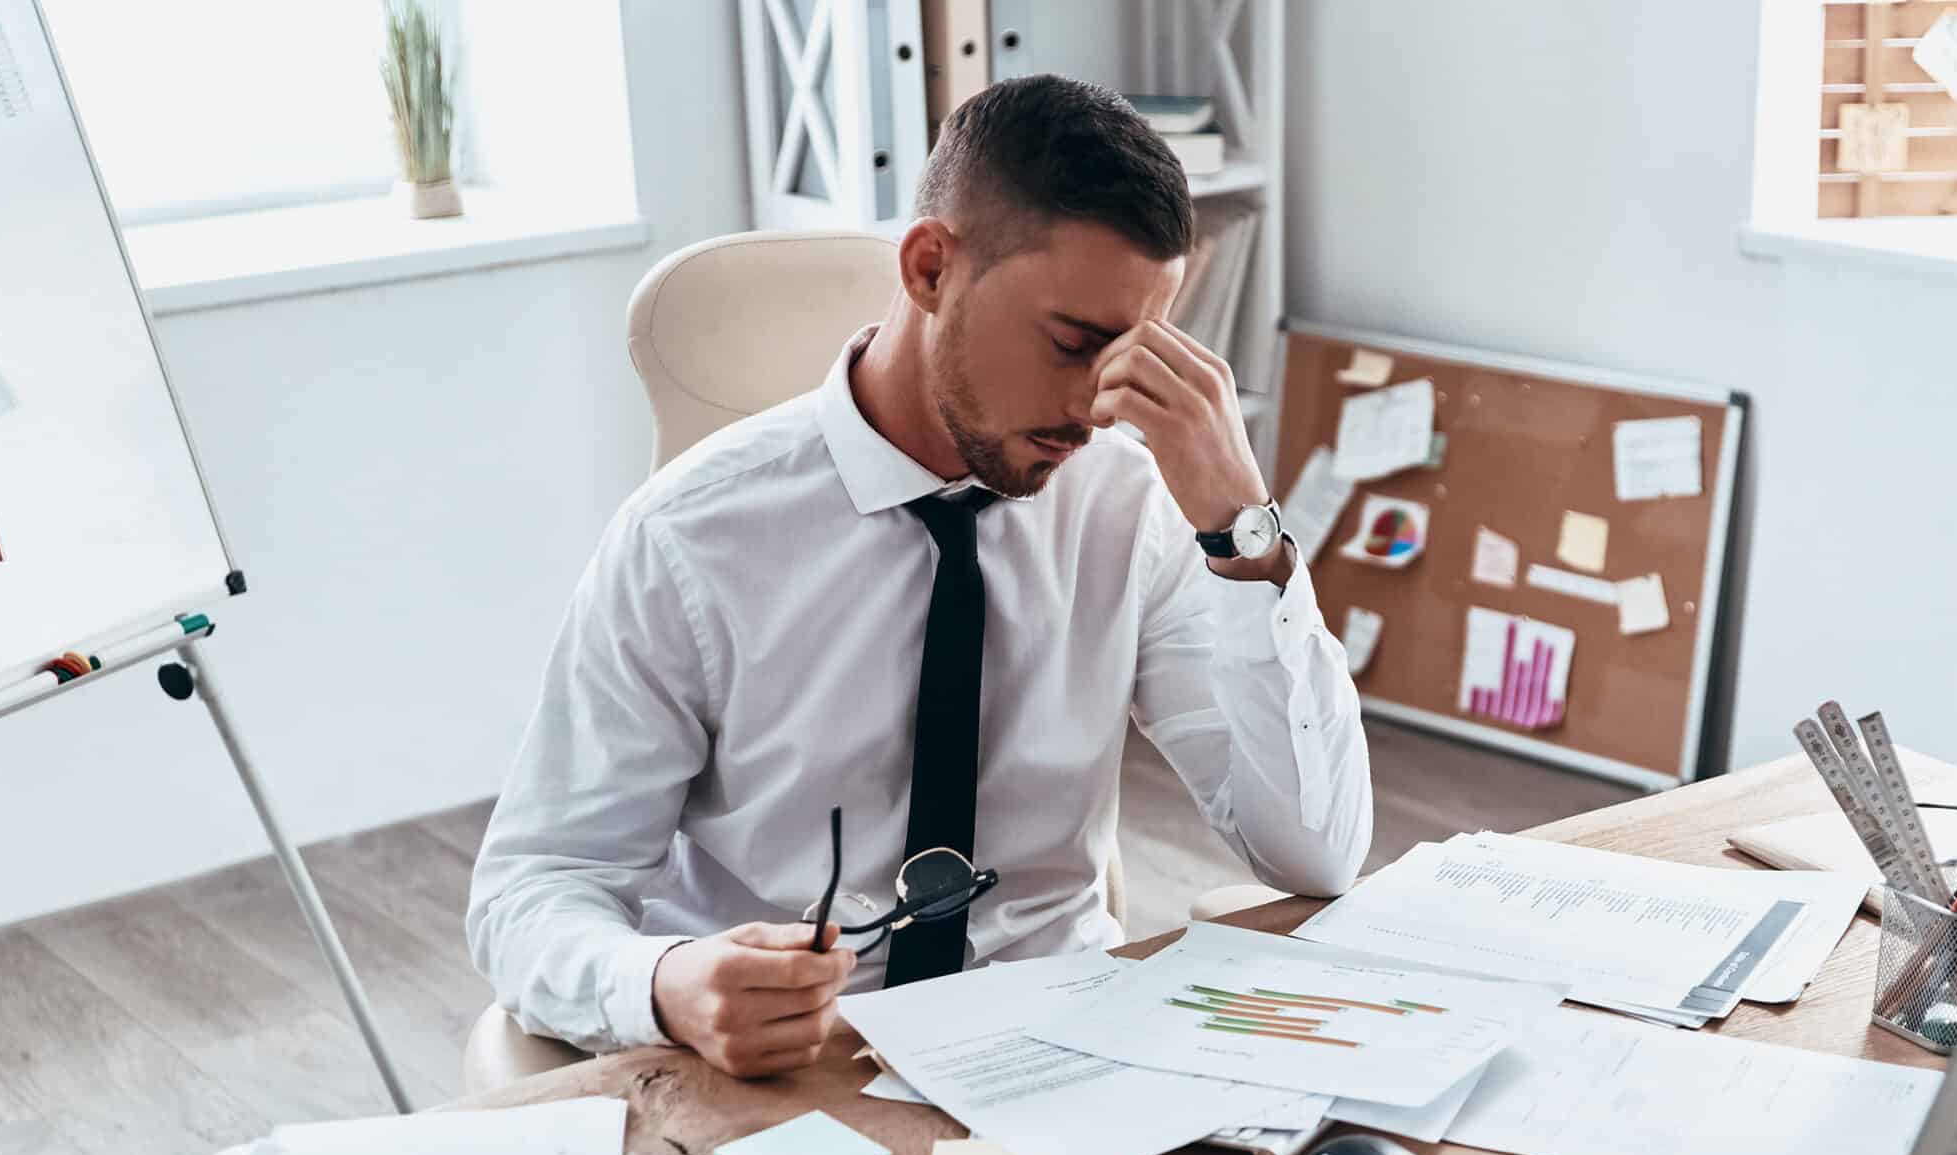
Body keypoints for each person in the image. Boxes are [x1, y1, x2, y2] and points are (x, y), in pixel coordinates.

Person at [467, 75, 1373, 1082]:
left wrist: (1243, 534)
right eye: (1072, 343)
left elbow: (1317, 854)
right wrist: (665, 980)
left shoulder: (1136, 503)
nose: (1097, 403)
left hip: (1059, 1049)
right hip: (789, 1071)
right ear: (931, 265)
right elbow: (533, 890)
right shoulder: (687, 538)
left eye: (1133, 351)